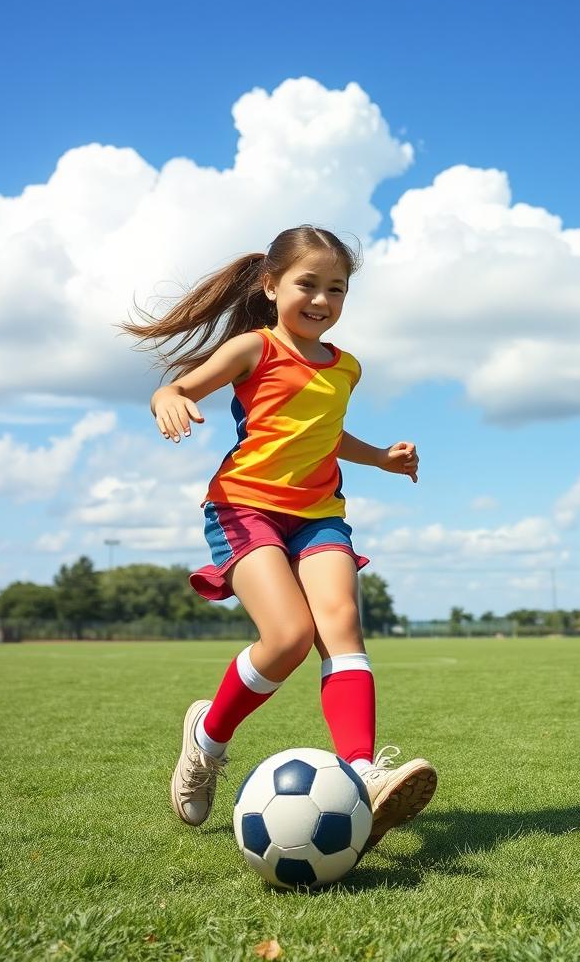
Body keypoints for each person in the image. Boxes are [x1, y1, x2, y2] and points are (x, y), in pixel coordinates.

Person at [118, 224, 437, 849]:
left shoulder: (346, 367)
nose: (322, 299)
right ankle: (207, 739)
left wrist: (382, 459)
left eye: (337, 289)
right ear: (270, 286)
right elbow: (180, 385)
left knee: (341, 623)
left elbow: (325, 435)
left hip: (319, 512)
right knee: (289, 636)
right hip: (246, 507)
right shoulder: (255, 349)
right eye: (308, 284)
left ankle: (364, 774)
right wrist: (167, 399)